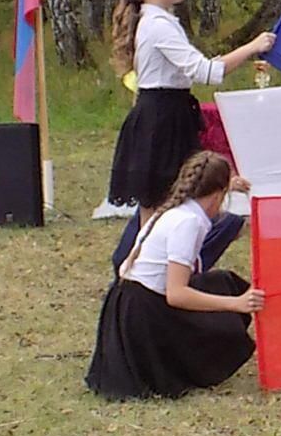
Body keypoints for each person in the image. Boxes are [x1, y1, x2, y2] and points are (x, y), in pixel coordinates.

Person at [105, 0, 274, 269]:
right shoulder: (158, 25)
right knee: (158, 212)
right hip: (161, 121)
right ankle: (138, 276)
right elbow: (206, 72)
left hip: (169, 115)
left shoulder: (160, 22)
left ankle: (148, 272)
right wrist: (252, 47)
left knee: (168, 208)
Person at [86, 151, 265, 400]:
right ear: (218, 195)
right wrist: (235, 304)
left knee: (224, 282)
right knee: (224, 312)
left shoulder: (177, 209)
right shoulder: (188, 222)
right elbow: (177, 294)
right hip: (143, 316)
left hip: (128, 302)